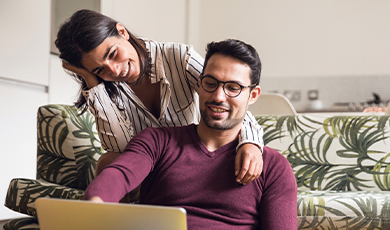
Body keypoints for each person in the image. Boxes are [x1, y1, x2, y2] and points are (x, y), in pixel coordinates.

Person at [84, 39, 298, 229]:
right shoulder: (157, 141)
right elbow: (119, 175)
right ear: (199, 84)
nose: (218, 97)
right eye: (210, 83)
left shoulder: (273, 167)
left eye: (233, 88)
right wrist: (95, 204)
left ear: (253, 95)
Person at [54, 9, 265, 195]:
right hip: (147, 167)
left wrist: (251, 143)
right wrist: (93, 83)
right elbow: (119, 150)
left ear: (122, 31)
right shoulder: (105, 88)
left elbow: (226, 98)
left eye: (113, 54)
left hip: (192, 158)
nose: (115, 70)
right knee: (108, 161)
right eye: (100, 69)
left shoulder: (179, 58)